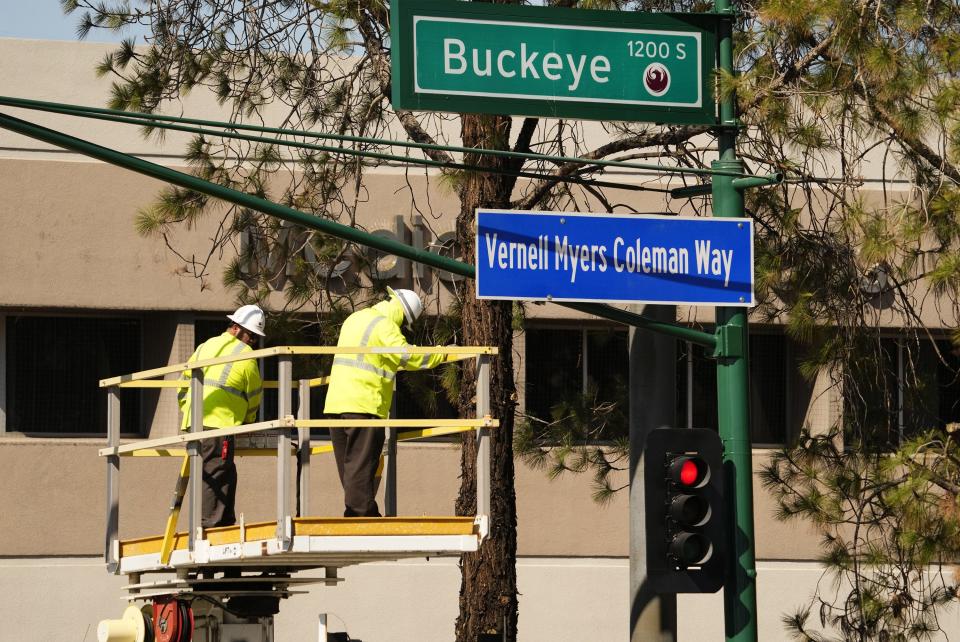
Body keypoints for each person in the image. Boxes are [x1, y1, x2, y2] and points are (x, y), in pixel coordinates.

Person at [323, 288, 448, 517]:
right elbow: (407, 355)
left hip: (336, 405)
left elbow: (375, 357)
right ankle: (363, 516)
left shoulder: (354, 319)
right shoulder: (385, 326)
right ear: (404, 315)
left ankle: (359, 511)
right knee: (361, 465)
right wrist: (441, 354)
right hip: (364, 405)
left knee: (350, 468)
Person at [178, 304, 265, 528]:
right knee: (215, 472)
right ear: (236, 329)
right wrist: (249, 421)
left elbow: (182, 384)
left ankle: (224, 522)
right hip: (219, 425)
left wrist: (187, 412)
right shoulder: (245, 355)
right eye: (252, 336)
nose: (253, 342)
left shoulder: (206, 345)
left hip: (194, 423)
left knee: (223, 471)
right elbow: (254, 394)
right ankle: (210, 528)